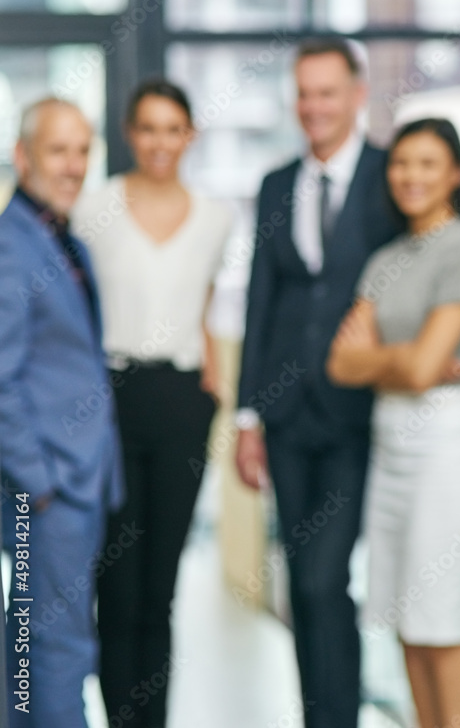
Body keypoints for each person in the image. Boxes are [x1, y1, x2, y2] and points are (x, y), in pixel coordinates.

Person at [234, 38, 406, 728]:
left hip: (356, 417)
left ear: (358, 95)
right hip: (284, 417)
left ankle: (340, 716)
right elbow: (260, 299)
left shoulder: (390, 176)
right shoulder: (277, 183)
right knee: (303, 588)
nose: (313, 107)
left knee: (322, 577)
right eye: (304, 93)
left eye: (327, 92)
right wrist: (248, 417)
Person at [70, 79, 233, 727]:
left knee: (159, 592)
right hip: (109, 402)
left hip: (181, 405)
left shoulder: (216, 217)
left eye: (173, 129)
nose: (160, 142)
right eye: (148, 129)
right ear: (130, 135)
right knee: (117, 586)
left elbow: (202, 308)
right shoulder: (94, 208)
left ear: (189, 136)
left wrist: (215, 389)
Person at [327, 118, 460, 728]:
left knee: (439, 622)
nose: (410, 176)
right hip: (389, 441)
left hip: (443, 445)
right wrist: (406, 360)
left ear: (454, 174)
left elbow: (422, 370)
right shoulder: (384, 258)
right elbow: (343, 364)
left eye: (427, 163)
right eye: (400, 163)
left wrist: (393, 362)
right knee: (402, 620)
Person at [0, 98, 124, 727]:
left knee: (26, 649)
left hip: (72, 480)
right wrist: (38, 484)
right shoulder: (11, 246)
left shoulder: (58, 235)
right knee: (57, 650)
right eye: (58, 150)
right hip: (48, 488)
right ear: (23, 156)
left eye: (82, 150)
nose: (73, 165)